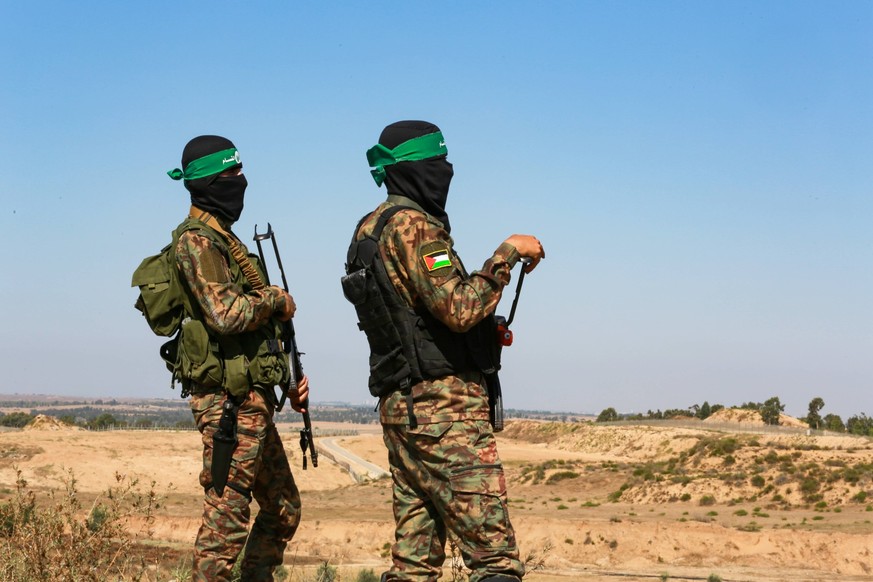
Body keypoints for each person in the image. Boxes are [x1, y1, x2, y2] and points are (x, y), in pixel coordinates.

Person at [344, 121, 545, 582]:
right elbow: (458, 308)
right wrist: (507, 254)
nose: (446, 172)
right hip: (445, 414)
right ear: (417, 169)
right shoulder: (413, 228)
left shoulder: (369, 229)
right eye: (438, 163)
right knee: (493, 559)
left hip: (402, 409)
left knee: (414, 564)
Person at [166, 135, 308, 581]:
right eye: (231, 175)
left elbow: (255, 334)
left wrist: (287, 381)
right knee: (226, 520)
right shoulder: (197, 243)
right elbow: (225, 314)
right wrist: (276, 302)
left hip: (253, 398)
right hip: (229, 403)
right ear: (209, 182)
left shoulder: (226, 241)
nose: (240, 183)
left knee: (283, 509)